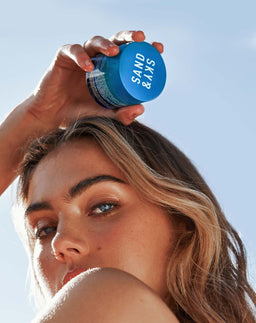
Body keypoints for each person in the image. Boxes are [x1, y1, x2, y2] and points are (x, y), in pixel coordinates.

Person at [1, 30, 256, 323]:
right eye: (44, 229)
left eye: (103, 207)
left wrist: (31, 121)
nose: (60, 242)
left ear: (183, 226)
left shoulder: (106, 293)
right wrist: (37, 117)